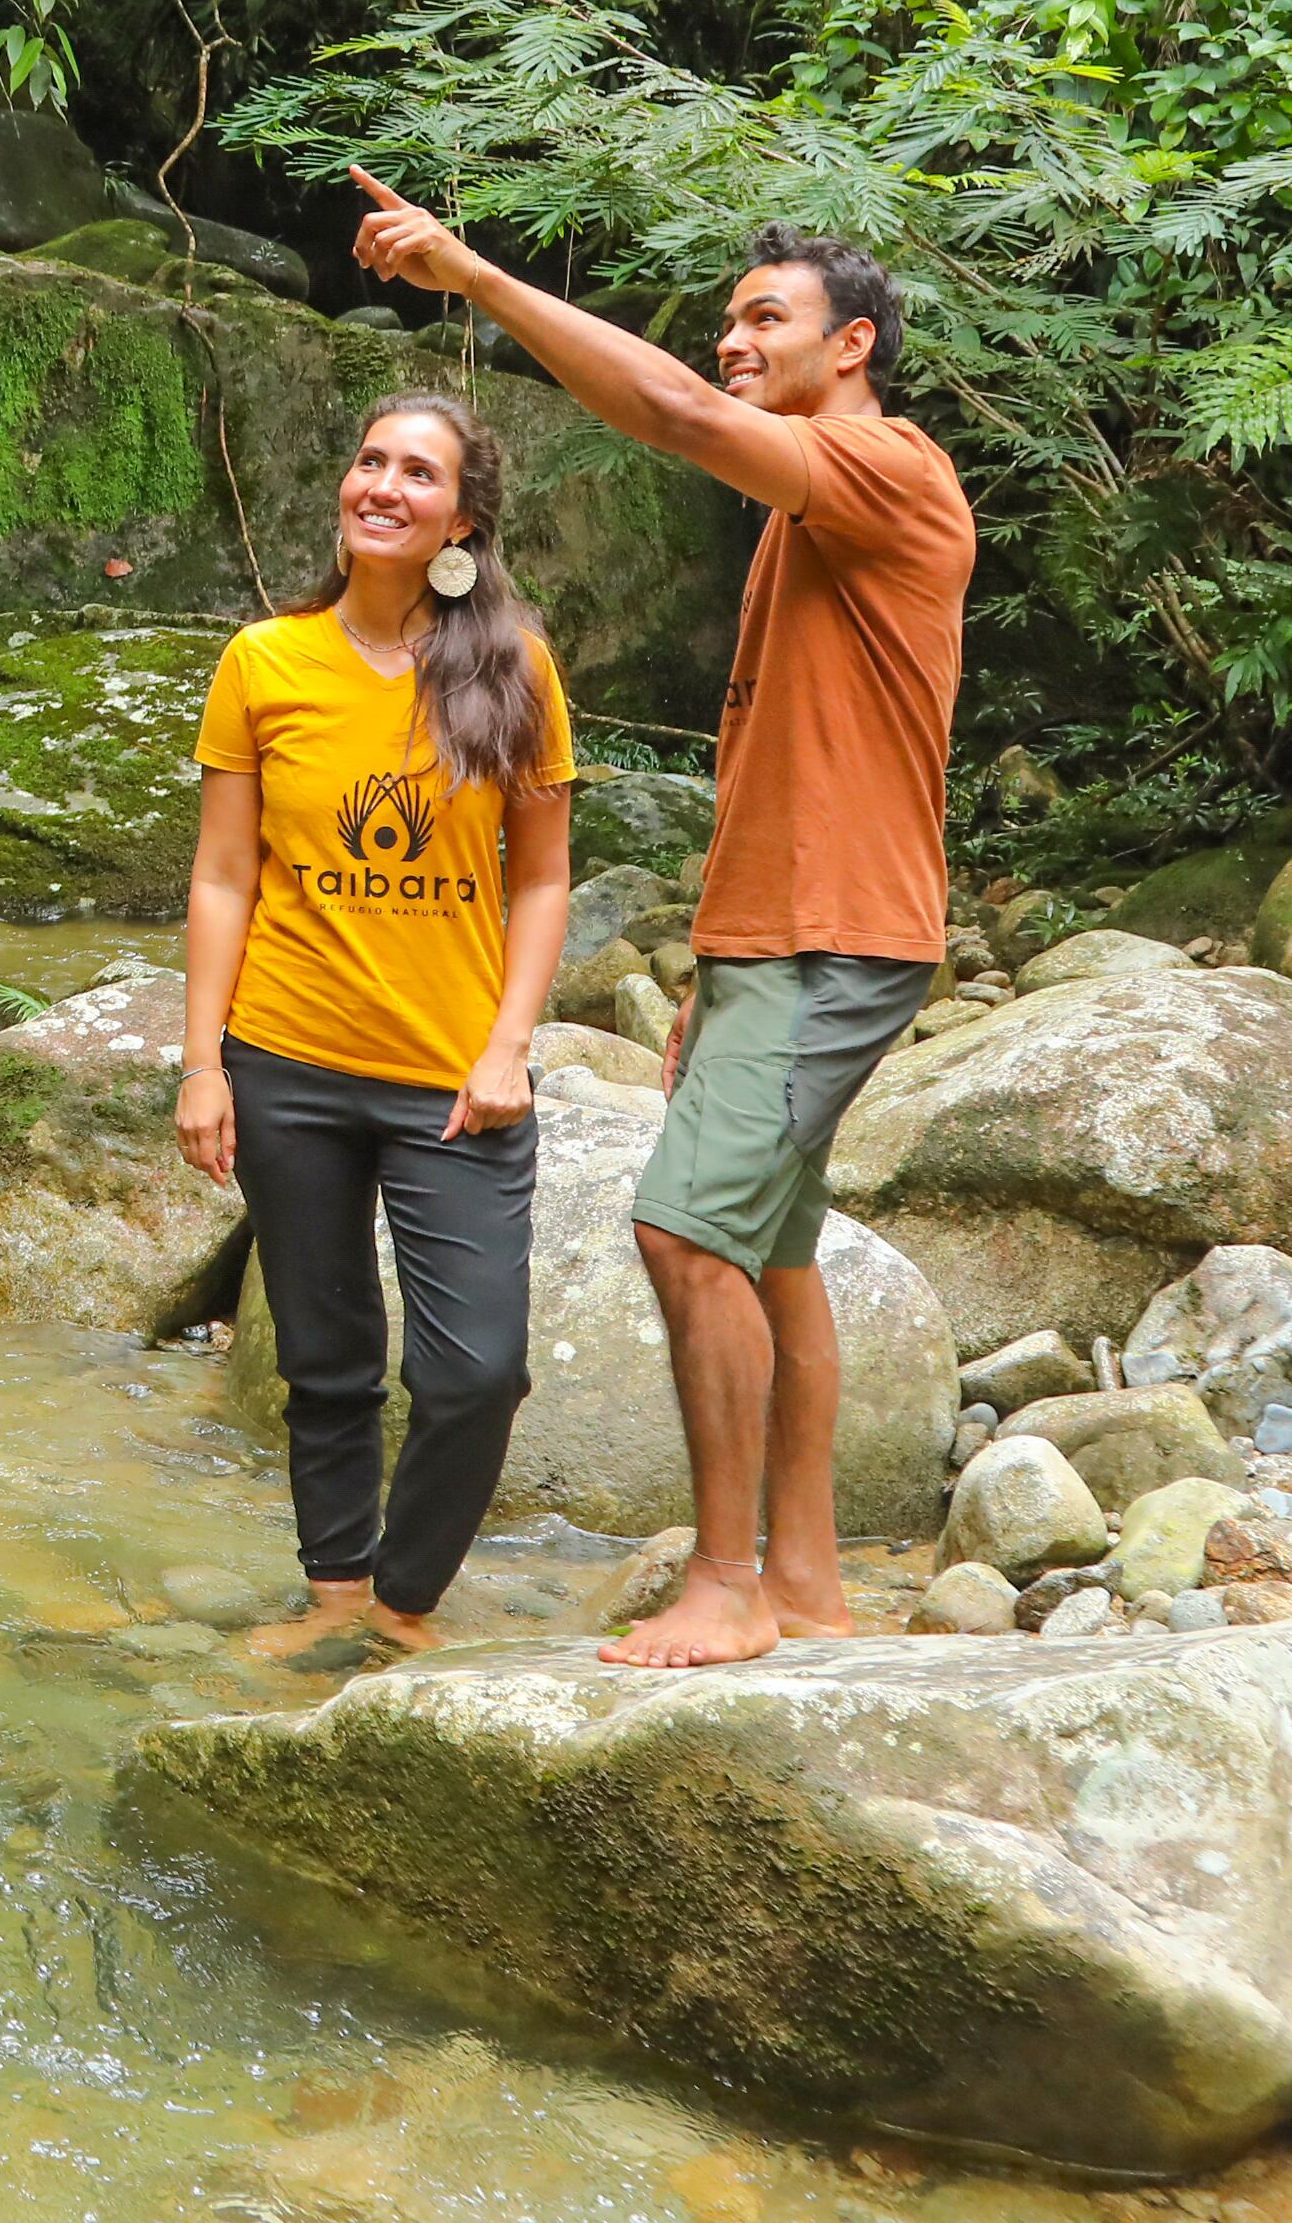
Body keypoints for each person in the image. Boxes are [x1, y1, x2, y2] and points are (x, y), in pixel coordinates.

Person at [344, 177, 973, 1670]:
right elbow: (786, 765)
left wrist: (476, 279)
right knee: (767, 1252)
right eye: (730, 322)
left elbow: (680, 416)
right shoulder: (813, 510)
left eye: (769, 319)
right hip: (782, 940)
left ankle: (724, 1584)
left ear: (857, 345)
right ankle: (805, 1581)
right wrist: (714, 957)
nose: (736, 342)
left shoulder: (885, 465)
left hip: (840, 939)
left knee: (682, 1230)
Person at [173, 393, 578, 1665]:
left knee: (476, 1376)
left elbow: (543, 878)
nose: (383, 486)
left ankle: (406, 1606)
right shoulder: (264, 661)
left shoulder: (512, 663)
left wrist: (510, 1042)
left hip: (451, 1077)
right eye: (368, 462)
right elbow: (224, 876)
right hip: (285, 1059)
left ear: (462, 519)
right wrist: (201, 1064)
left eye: (418, 472)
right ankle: (337, 1601)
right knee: (328, 1358)